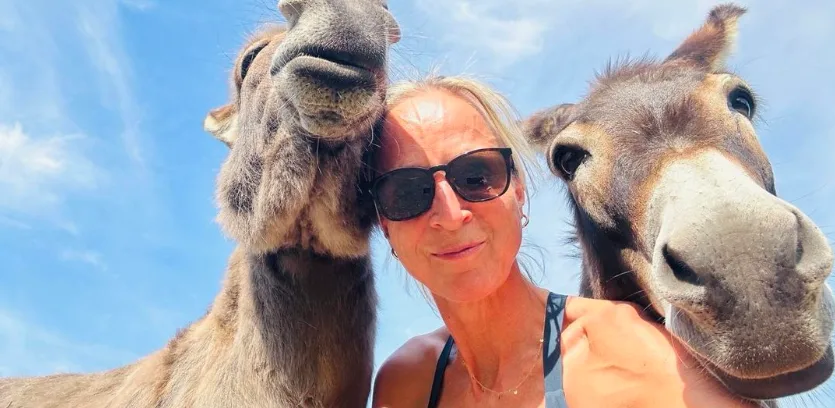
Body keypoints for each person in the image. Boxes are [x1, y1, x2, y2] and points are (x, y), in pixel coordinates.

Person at [368, 75, 758, 408]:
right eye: (407, 193)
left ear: (517, 189)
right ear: (384, 224)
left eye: (476, 177)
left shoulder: (627, 356)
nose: (451, 215)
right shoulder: (406, 383)